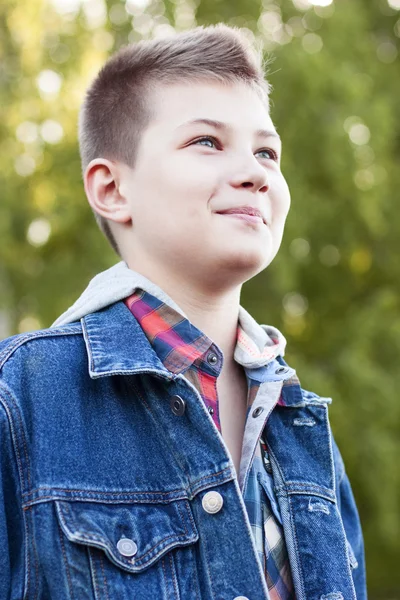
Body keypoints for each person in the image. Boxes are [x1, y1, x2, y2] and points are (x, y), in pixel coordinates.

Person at [0, 24, 366, 600]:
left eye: (267, 151)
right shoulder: (18, 399)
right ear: (113, 189)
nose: (255, 172)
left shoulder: (303, 430)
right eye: (207, 142)